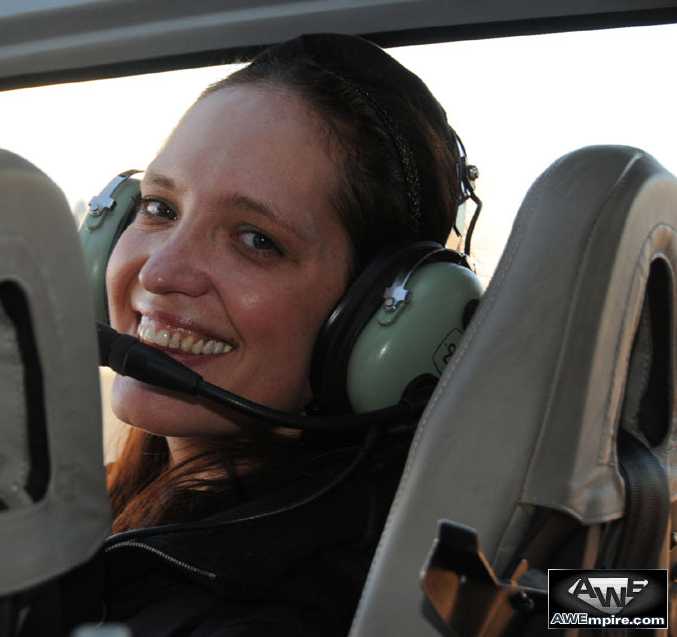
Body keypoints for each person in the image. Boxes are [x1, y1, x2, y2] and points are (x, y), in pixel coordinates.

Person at [100, 33, 471, 636]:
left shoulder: (273, 615)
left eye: (256, 240)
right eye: (160, 207)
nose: (161, 271)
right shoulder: (125, 509)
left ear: (373, 318)